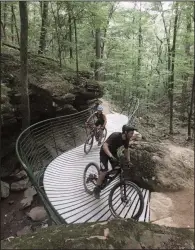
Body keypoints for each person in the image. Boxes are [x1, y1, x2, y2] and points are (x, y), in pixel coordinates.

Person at [93, 125, 136, 199]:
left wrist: (128, 161)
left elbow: (126, 150)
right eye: (131, 133)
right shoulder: (115, 135)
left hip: (113, 153)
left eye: (133, 133)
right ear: (125, 132)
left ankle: (104, 178)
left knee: (117, 167)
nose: (132, 135)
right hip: (104, 153)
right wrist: (110, 156)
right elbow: (105, 146)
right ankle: (96, 189)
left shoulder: (126, 139)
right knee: (104, 171)